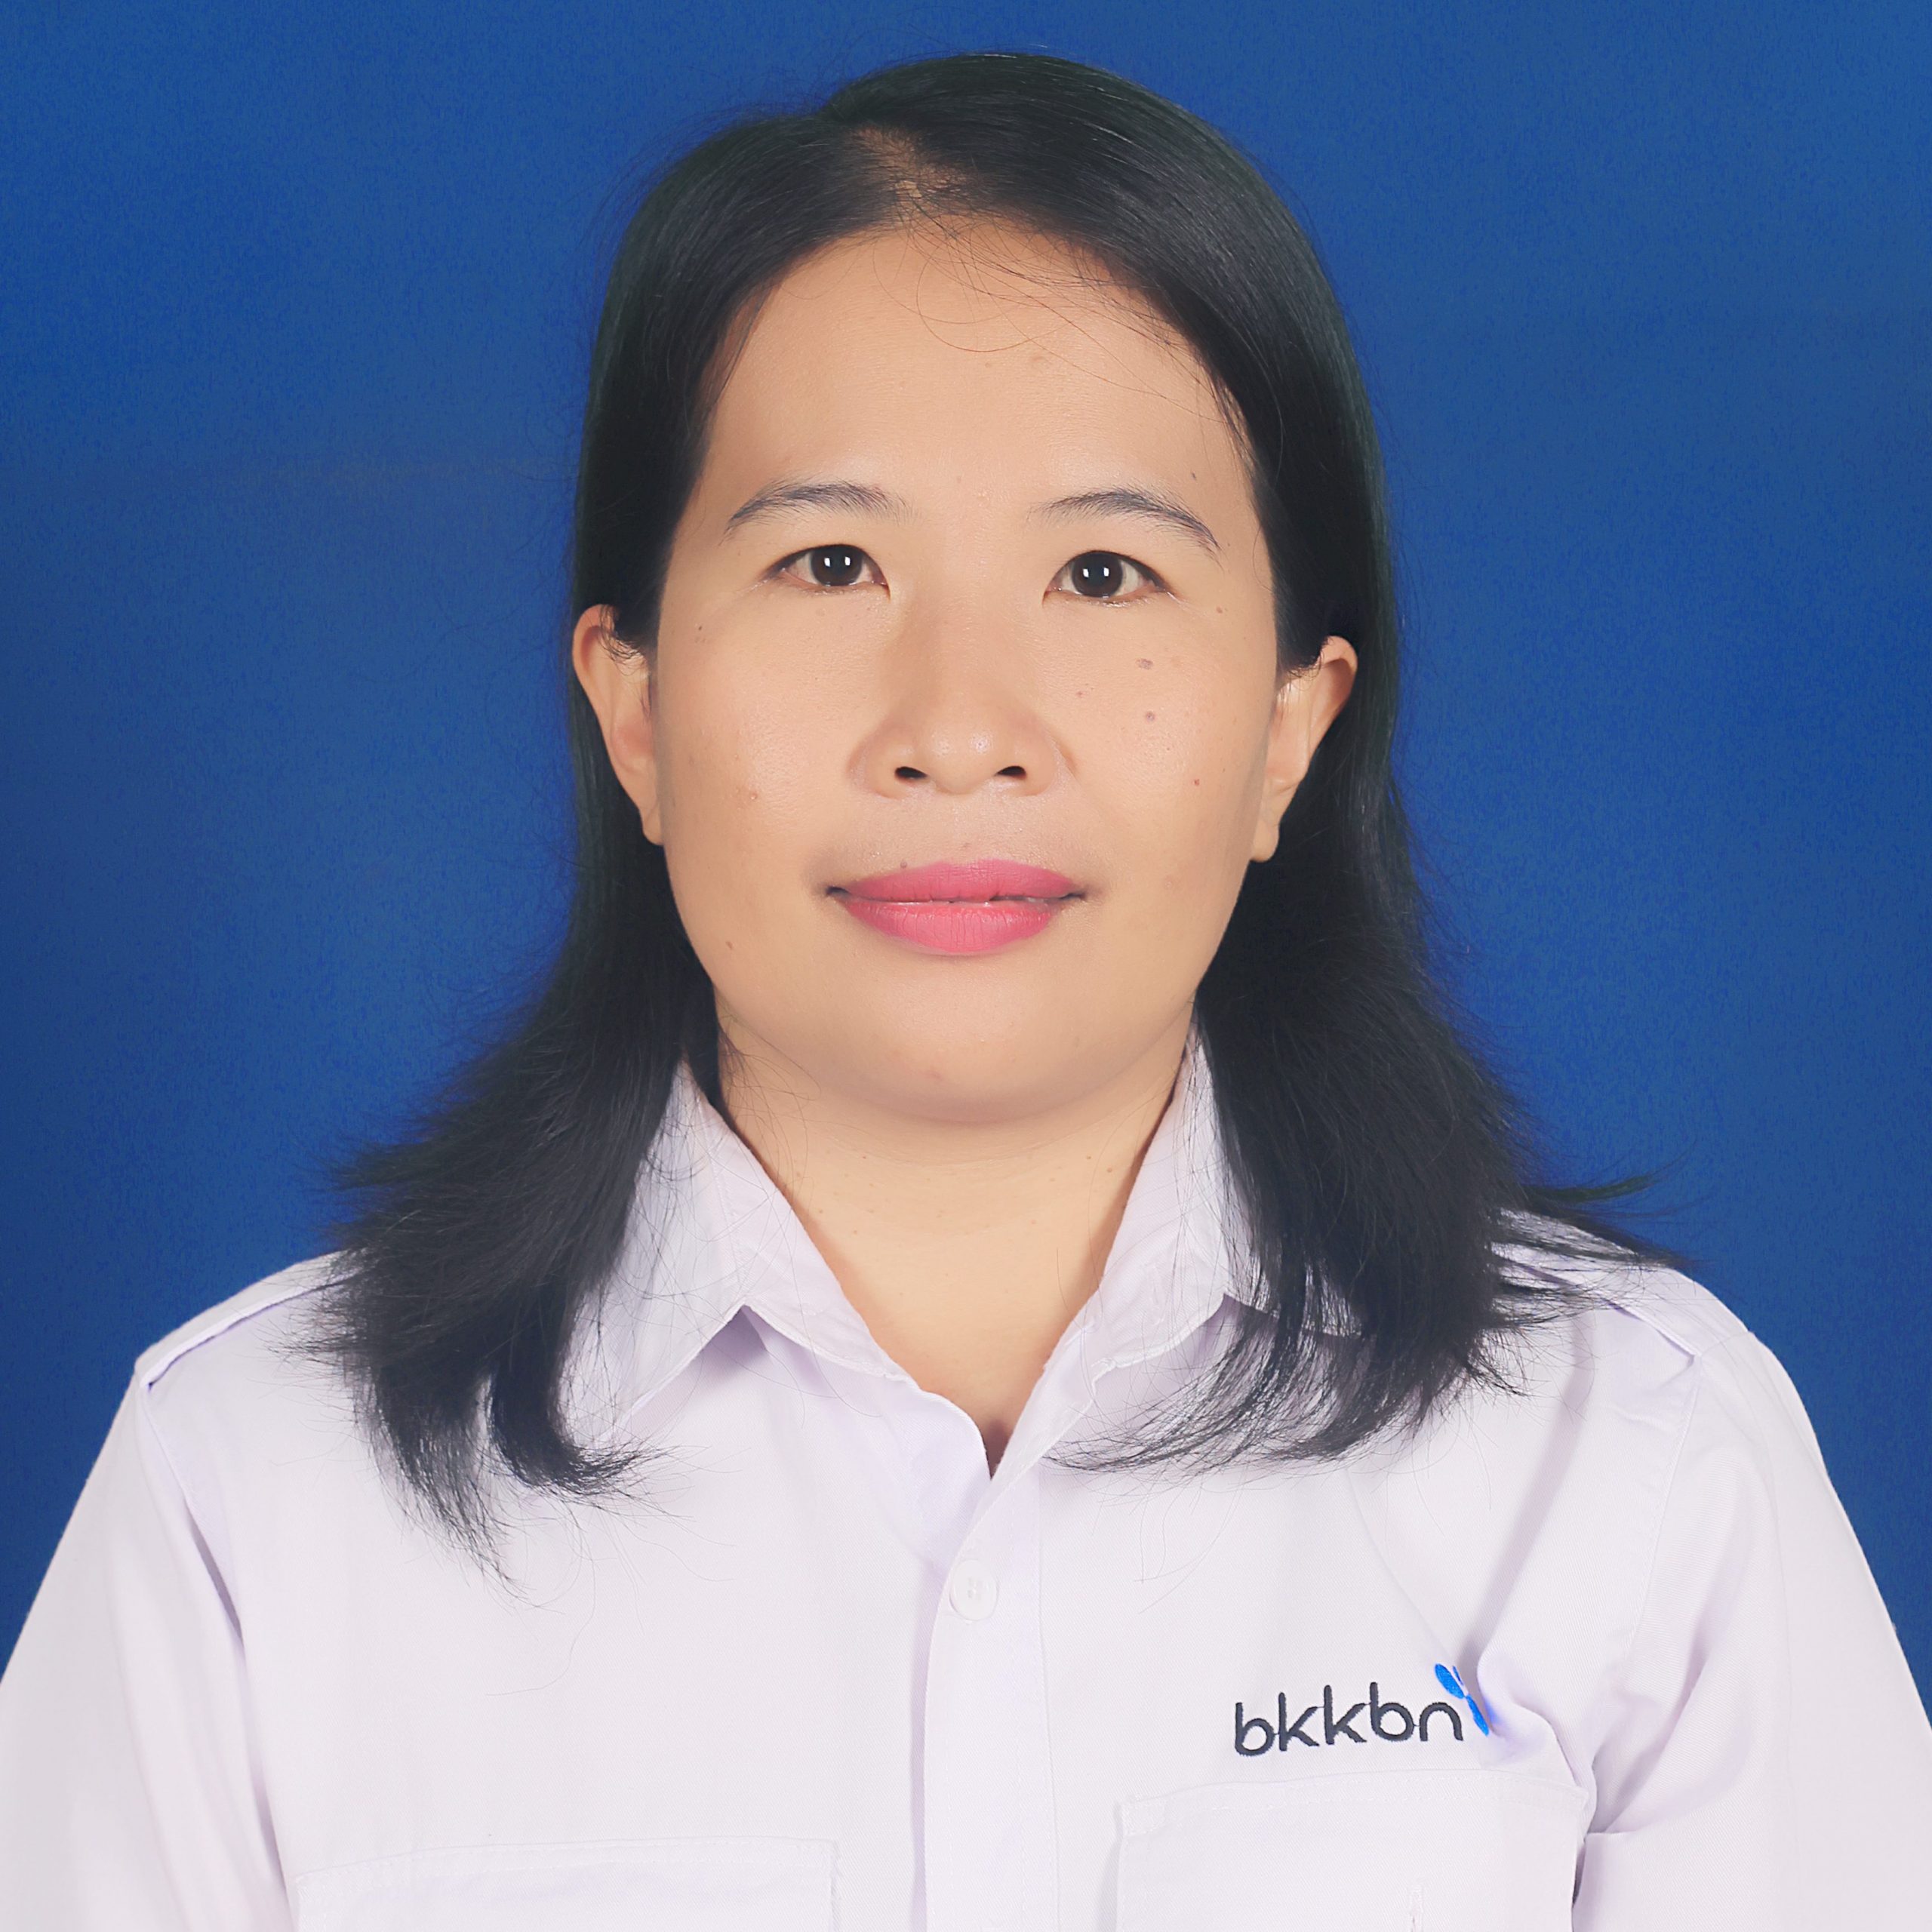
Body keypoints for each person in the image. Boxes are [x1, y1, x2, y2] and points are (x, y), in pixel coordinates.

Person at [2, 48, 1926, 1931]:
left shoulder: (1624, 1458)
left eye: (1101, 574)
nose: (956, 727)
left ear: (1289, 726)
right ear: (634, 708)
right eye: (830, 561)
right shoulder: (253, 1501)